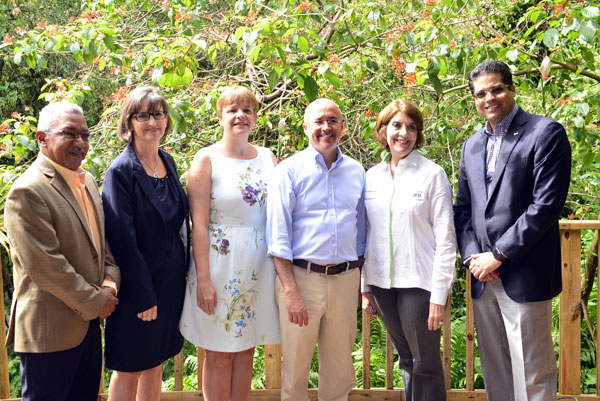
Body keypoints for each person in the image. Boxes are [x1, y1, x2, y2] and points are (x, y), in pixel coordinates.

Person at [454, 60, 571, 401]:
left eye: (496, 89)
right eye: (480, 93)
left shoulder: (545, 133)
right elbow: (463, 210)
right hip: (482, 276)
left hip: (524, 272)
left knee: (532, 372)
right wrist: (474, 258)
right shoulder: (471, 145)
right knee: (496, 371)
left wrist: (499, 255)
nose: (488, 98)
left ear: (512, 89)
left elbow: (545, 206)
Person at [4, 101, 120, 401]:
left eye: (85, 134)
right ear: (42, 138)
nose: (80, 142)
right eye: (69, 133)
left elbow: (102, 245)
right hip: (49, 333)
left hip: (89, 326)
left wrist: (109, 283)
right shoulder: (27, 191)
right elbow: (45, 266)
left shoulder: (88, 180)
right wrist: (97, 301)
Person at [179, 86, 280, 401]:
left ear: (255, 117)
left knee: (246, 349)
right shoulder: (205, 159)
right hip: (218, 267)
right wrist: (204, 281)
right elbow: (199, 226)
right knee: (219, 353)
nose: (240, 116)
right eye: (233, 110)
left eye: (247, 110)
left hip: (258, 269)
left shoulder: (268, 157)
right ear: (220, 117)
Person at [266, 98, 366, 401]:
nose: (326, 128)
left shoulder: (357, 171)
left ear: (342, 128)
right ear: (306, 127)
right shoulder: (288, 171)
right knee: (295, 371)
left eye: (333, 121)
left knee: (340, 371)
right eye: (319, 122)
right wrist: (291, 292)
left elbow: (361, 232)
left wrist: (361, 284)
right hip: (301, 279)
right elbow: (278, 236)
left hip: (345, 278)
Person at [361, 99, 456, 401]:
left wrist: (439, 296)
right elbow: (366, 234)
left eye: (411, 127)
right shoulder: (370, 177)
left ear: (419, 134)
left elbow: (446, 238)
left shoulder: (432, 174)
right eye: (397, 125)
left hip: (420, 284)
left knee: (425, 363)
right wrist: (365, 288)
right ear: (383, 130)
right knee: (407, 359)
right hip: (381, 285)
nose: (404, 133)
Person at [102, 86, 190, 401]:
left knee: (156, 363)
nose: (152, 121)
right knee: (129, 367)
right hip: (138, 289)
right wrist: (143, 296)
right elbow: (122, 239)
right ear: (130, 122)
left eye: (158, 114)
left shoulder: (168, 161)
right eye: (143, 115)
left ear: (167, 121)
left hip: (169, 286)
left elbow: (178, 226)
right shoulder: (120, 171)